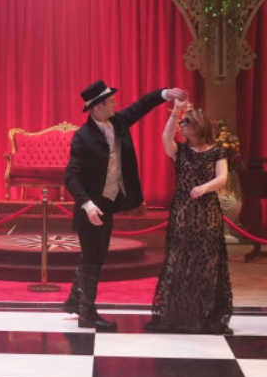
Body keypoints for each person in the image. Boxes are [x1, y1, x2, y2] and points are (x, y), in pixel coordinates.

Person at [63, 80, 188, 331]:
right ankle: (87, 313)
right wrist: (87, 205)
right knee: (94, 257)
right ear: (97, 107)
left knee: (93, 253)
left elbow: (142, 105)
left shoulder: (118, 122)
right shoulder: (82, 137)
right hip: (91, 206)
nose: (115, 104)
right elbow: (71, 176)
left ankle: (75, 300)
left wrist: (165, 94)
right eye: (110, 101)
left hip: (108, 202)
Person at [147, 104, 233, 334]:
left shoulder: (217, 151)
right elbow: (166, 137)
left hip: (207, 211)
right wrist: (175, 112)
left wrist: (204, 188)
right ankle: (178, 313)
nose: (181, 126)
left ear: (199, 127)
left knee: (206, 261)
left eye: (186, 123)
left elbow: (222, 178)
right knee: (180, 260)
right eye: (182, 123)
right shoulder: (179, 151)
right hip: (183, 211)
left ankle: (205, 313)